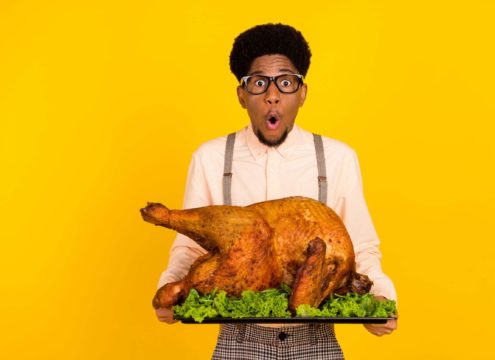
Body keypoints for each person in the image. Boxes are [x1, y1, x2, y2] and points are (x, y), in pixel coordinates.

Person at [154, 23, 397, 359]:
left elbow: (363, 247)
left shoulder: (338, 158)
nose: (272, 95)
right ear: (242, 95)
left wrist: (380, 299)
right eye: (258, 83)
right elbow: (189, 249)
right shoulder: (210, 158)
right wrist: (171, 286)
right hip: (237, 344)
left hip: (316, 345)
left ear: (302, 93)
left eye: (285, 82)